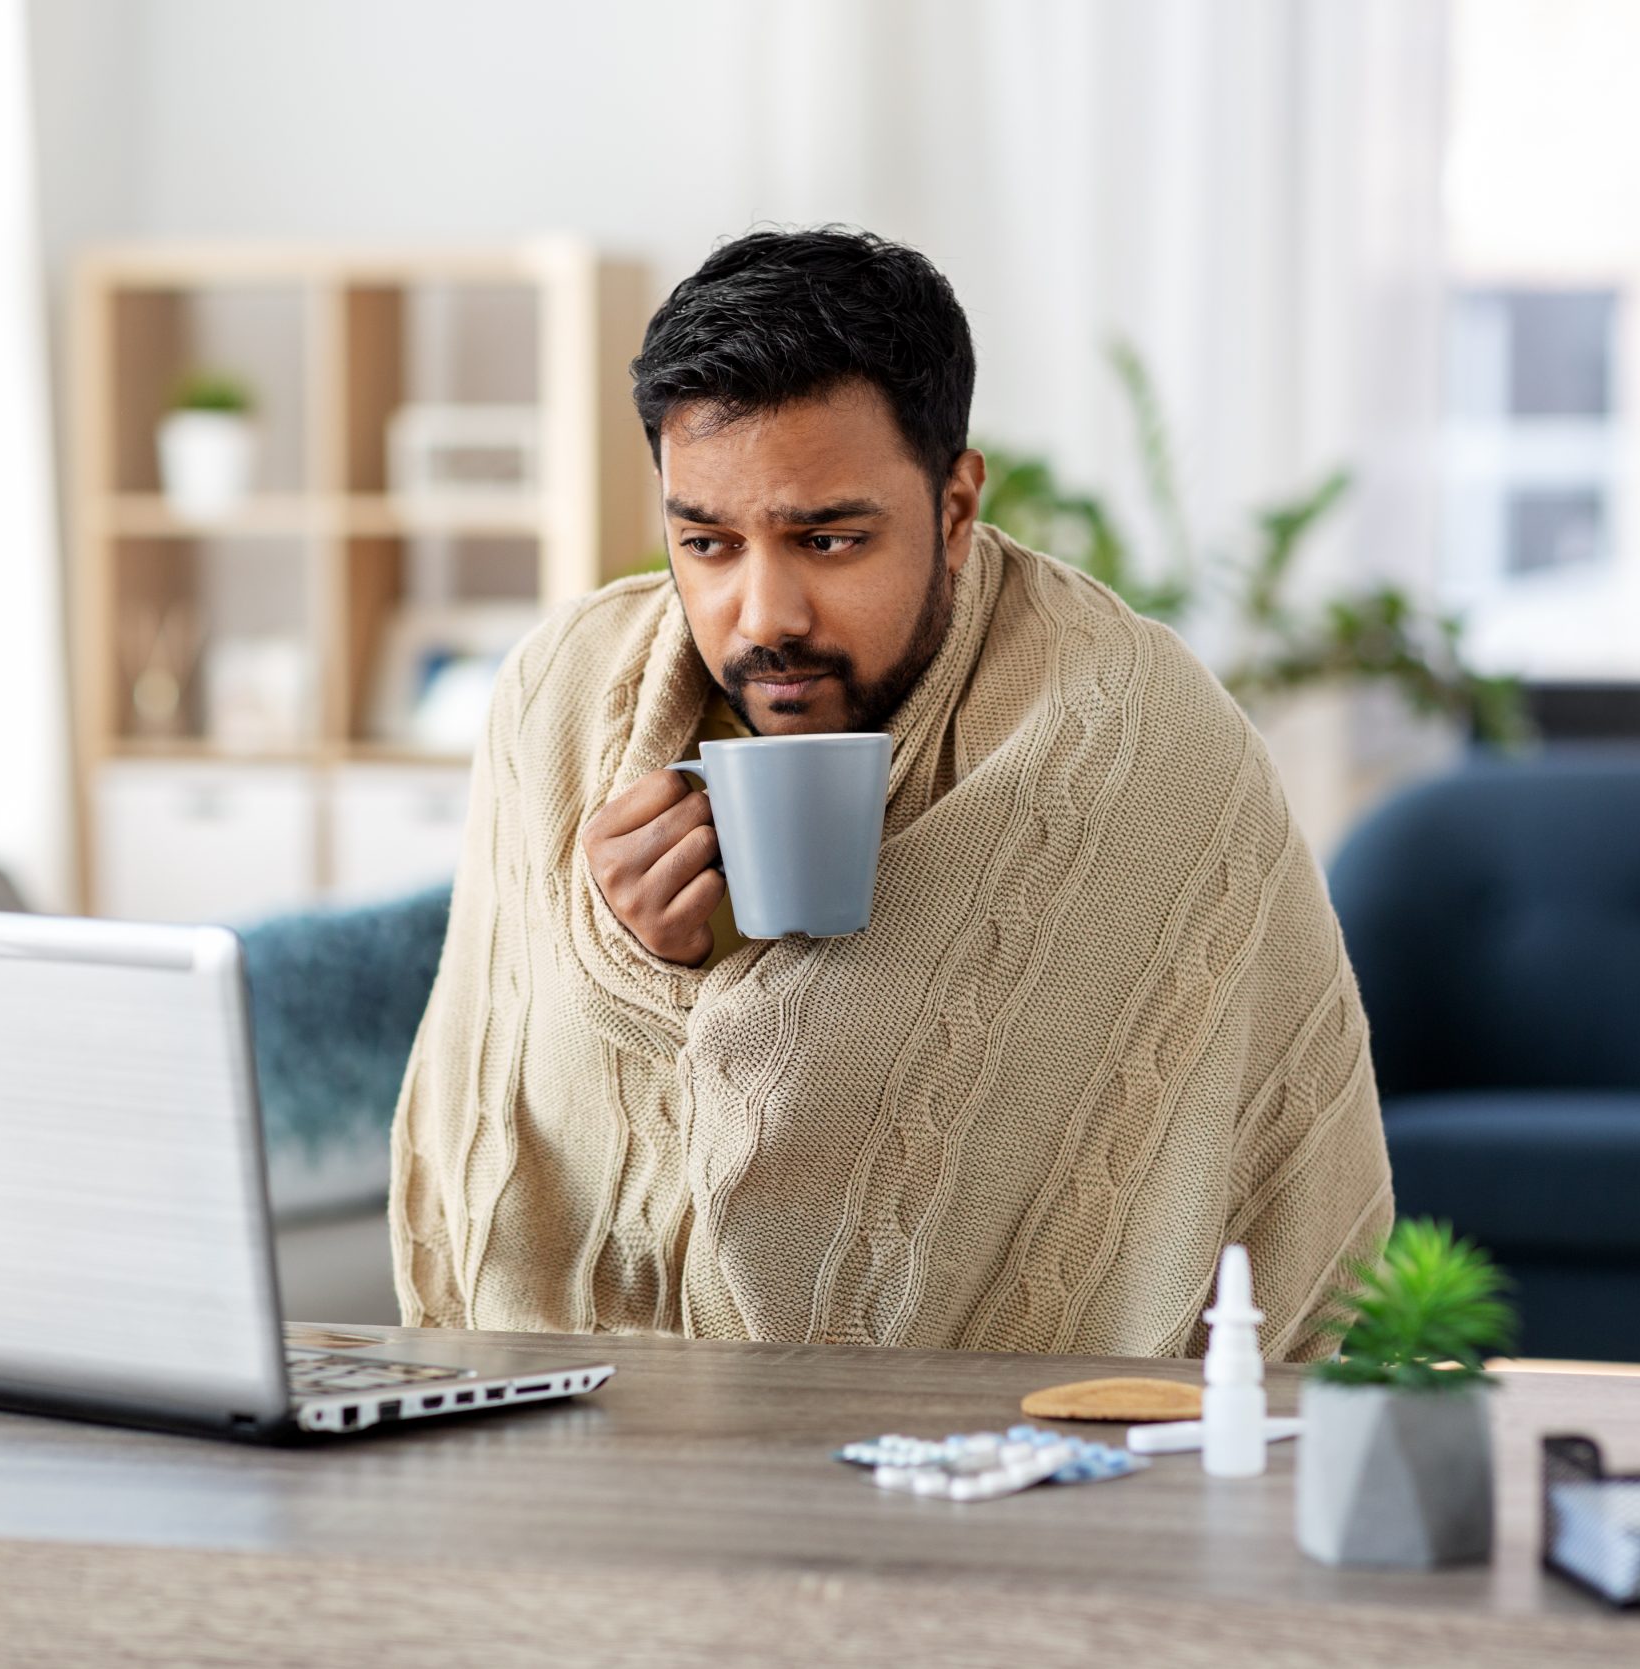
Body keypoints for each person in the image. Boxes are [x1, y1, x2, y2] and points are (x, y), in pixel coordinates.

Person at [392, 227, 1391, 1358]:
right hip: (588, 1435)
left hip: (1020, 1469)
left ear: (956, 508)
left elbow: (1263, 1205)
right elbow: (500, 1124)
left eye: (827, 538)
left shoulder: (1135, 729)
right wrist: (627, 968)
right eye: (708, 543)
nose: (764, 615)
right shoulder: (559, 695)